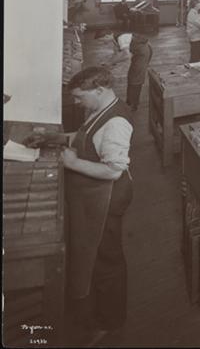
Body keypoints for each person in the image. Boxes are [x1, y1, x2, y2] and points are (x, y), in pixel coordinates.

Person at [59, 67, 134, 345]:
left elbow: (114, 169)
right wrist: (56, 139)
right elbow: (87, 137)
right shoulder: (101, 108)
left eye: (80, 97)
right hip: (95, 196)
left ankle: (110, 322)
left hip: (108, 198)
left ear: (99, 91)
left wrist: (73, 163)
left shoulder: (117, 123)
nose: (76, 102)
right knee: (98, 254)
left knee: (107, 261)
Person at [102, 31, 153, 112]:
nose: (102, 42)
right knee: (132, 77)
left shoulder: (121, 38)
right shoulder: (115, 41)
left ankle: (133, 105)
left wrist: (110, 63)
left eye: (102, 39)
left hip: (143, 52)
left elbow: (126, 56)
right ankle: (130, 102)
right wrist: (109, 63)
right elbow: (116, 54)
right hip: (138, 53)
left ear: (108, 36)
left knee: (135, 78)